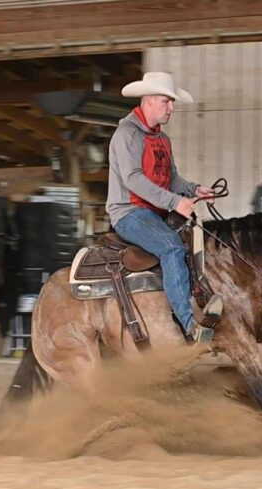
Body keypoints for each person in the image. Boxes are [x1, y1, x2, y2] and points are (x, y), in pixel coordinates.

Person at [106, 71, 222, 342]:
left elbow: (170, 178)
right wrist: (175, 201)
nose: (171, 108)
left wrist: (193, 190)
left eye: (172, 102)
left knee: (201, 240)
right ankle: (189, 324)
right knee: (171, 247)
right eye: (166, 101)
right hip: (129, 212)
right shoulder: (127, 135)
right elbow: (132, 179)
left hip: (154, 211)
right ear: (147, 101)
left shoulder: (162, 139)